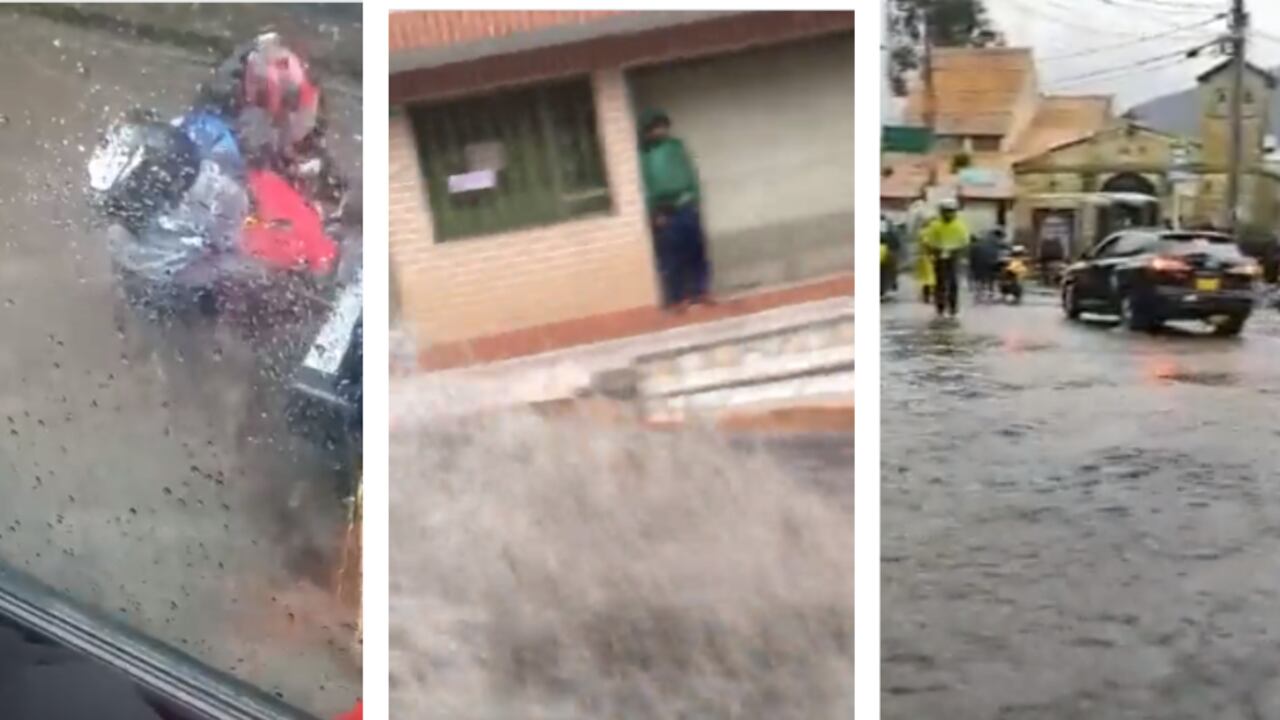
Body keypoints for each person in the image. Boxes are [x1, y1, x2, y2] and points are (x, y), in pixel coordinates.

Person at [196, 32, 346, 214]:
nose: (279, 117)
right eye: (263, 98)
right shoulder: (212, 145)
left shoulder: (323, 174)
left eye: (291, 100)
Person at [638, 108, 712, 310]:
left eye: (662, 126)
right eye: (655, 128)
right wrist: (654, 212)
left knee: (696, 250)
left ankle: (701, 291)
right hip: (664, 210)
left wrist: (695, 199)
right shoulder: (643, 156)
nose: (660, 131)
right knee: (671, 257)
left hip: (685, 204)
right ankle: (678, 297)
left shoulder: (676, 147)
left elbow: (690, 173)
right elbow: (644, 186)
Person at [920, 198, 971, 317]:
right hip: (939, 254)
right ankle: (940, 307)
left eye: (951, 211)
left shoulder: (960, 226)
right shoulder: (935, 225)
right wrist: (932, 252)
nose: (949, 214)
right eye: (946, 211)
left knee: (953, 282)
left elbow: (965, 242)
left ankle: (953, 307)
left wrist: (961, 254)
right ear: (941, 212)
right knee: (940, 282)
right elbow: (928, 241)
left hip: (954, 255)